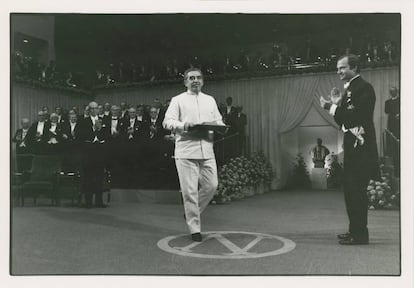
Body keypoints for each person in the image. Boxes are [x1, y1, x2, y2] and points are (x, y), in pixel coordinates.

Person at [320, 54, 380, 245]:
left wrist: (330, 106)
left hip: (360, 149)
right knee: (351, 192)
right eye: (338, 68)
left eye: (342, 68)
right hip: (353, 147)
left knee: (357, 192)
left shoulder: (364, 88)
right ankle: (354, 230)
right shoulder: (351, 90)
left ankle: (360, 235)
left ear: (354, 67)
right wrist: (337, 105)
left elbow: (353, 117)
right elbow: (342, 119)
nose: (338, 72)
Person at [163, 67, 225, 242]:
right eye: (191, 78)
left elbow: (218, 121)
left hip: (206, 149)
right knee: (189, 192)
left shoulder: (210, 100)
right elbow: (167, 122)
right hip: (186, 151)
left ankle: (190, 213)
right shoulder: (178, 100)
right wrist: (184, 125)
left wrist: (220, 127)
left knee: (211, 186)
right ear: (185, 82)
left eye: (198, 77)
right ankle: (194, 228)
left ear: (203, 81)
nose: (195, 80)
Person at [76, 101, 110, 208]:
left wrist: (101, 136)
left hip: (99, 151)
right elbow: (78, 134)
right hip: (88, 151)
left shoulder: (103, 120)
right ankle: (88, 202)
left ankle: (99, 201)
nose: (94, 110)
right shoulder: (83, 121)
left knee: (99, 176)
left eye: (96, 108)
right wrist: (93, 130)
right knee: (88, 177)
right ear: (89, 110)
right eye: (92, 108)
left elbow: (107, 134)